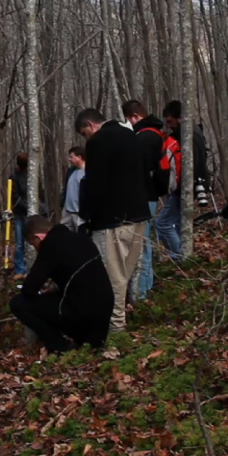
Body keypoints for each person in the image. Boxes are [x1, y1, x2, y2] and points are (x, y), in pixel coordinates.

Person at [74, 108, 150, 333]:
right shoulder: (132, 136)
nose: (86, 137)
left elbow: (94, 183)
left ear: (90, 125)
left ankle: (116, 330)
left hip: (111, 221)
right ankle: (120, 321)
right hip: (138, 217)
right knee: (124, 275)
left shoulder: (98, 143)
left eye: (84, 133)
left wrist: (87, 217)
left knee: (112, 279)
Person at [9, 215, 113, 352]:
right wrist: (57, 289)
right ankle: (90, 343)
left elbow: (29, 289)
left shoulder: (50, 245)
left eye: (33, 245)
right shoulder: (80, 239)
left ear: (38, 237)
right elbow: (84, 278)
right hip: (103, 313)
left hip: (83, 315)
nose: (36, 249)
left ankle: (59, 347)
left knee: (18, 303)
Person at [123, 100, 166, 303]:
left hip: (143, 195)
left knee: (141, 244)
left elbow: (136, 168)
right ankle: (145, 286)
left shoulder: (144, 137)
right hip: (150, 194)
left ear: (134, 117)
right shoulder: (155, 133)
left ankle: (141, 293)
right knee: (144, 242)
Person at [159, 101, 211, 258]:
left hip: (188, 184)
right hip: (190, 184)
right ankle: (184, 255)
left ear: (180, 118)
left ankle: (179, 258)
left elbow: (195, 162)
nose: (168, 126)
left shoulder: (189, 135)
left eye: (170, 121)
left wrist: (193, 182)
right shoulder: (192, 132)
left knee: (163, 223)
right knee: (179, 223)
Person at [7, 153, 31, 277]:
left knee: (32, 242)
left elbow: (40, 192)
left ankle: (31, 268)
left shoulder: (31, 175)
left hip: (32, 214)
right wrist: (27, 207)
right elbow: (15, 197)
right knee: (20, 243)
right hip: (19, 214)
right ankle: (20, 269)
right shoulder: (14, 177)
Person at [61, 146, 86, 230]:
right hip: (67, 211)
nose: (69, 159)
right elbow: (66, 189)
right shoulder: (71, 171)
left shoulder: (88, 172)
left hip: (79, 214)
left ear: (79, 157)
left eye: (71, 157)